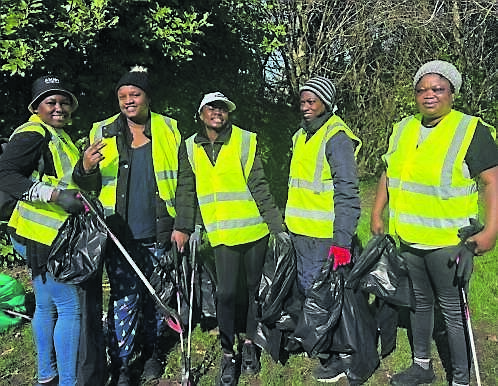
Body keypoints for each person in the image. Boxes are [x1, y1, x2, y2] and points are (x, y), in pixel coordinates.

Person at [370, 60, 498, 386]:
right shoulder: (403, 128)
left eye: (438, 89)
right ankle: (422, 366)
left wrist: (491, 230)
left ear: (452, 93)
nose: (429, 95)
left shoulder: (470, 130)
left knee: (453, 313)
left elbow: (492, 181)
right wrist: (377, 212)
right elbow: (390, 172)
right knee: (419, 304)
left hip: (449, 243)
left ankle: (460, 379)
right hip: (410, 239)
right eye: (422, 89)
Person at [73, 66, 192, 385]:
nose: (128, 101)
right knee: (124, 300)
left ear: (147, 97)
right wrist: (84, 166)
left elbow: (184, 181)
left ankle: (153, 354)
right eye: (123, 96)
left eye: (135, 94)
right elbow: (87, 184)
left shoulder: (168, 129)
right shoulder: (102, 130)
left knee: (158, 298)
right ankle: (123, 364)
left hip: (160, 231)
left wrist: (183, 224)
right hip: (118, 234)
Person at [175, 91, 290, 386]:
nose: (217, 112)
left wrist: (277, 226)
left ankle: (249, 344)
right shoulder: (188, 147)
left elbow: (259, 186)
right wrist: (182, 227)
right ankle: (228, 354)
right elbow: (185, 191)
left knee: (252, 290)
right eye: (211, 108)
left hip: (254, 231)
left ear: (228, 114)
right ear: (201, 114)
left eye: (222, 109)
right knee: (225, 293)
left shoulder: (244, 140)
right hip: (221, 234)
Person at [0, 75, 85, 385]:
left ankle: (46, 376)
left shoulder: (56, 134)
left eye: (64, 102)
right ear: (36, 107)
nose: (59, 107)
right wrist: (54, 195)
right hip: (42, 235)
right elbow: (5, 175)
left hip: (41, 232)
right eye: (51, 102)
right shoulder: (33, 133)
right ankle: (69, 381)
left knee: (47, 305)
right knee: (69, 306)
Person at [284, 76, 362, 383]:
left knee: (326, 295)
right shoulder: (300, 135)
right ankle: (315, 340)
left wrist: (342, 239)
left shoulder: (337, 137)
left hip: (324, 235)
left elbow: (348, 192)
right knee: (307, 290)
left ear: (326, 103)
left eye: (311, 101)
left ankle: (338, 356)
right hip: (300, 231)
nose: (305, 107)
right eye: (302, 101)